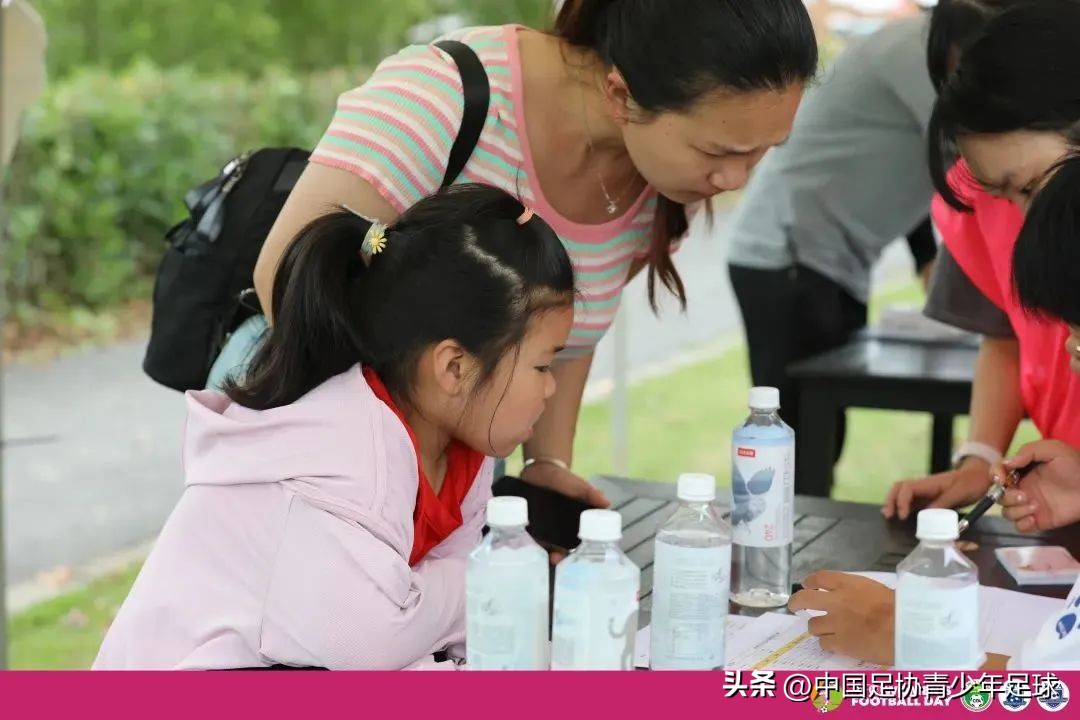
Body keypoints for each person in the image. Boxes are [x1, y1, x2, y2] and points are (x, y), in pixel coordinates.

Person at [210, 0, 820, 510]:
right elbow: (288, 277)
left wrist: (545, 467)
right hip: (314, 437)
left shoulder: (661, 179)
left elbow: (562, 332)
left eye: (763, 152)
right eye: (718, 152)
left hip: (450, 465)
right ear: (620, 94)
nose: (735, 180)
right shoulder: (444, 97)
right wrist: (406, 463)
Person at [93, 185, 576, 669]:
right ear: (454, 368)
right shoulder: (338, 465)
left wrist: (467, 595)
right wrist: (482, 585)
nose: (550, 387)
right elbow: (375, 644)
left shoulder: (463, 452)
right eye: (542, 366)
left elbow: (458, 628)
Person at [882, 0, 1080, 521]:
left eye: (1029, 187)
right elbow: (1003, 334)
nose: (1024, 218)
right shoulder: (984, 200)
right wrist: (981, 458)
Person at [726, 11, 939, 486]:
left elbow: (917, 162)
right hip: (787, 253)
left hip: (832, 262)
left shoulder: (927, 52)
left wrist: (928, 259)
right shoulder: (914, 50)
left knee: (822, 436)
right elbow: (965, 153)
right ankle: (778, 532)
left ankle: (798, 530)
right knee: (795, 440)